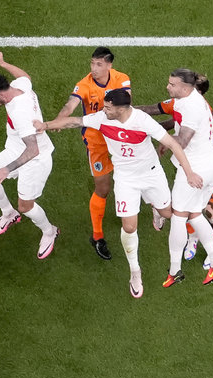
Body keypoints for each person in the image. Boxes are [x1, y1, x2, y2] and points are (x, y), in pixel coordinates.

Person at [34, 89, 202, 298]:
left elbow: (173, 145)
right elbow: (75, 121)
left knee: (168, 213)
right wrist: (46, 126)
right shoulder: (102, 118)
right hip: (125, 179)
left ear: (122, 109)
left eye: (108, 107)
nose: (104, 110)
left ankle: (156, 209)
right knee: (129, 226)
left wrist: (189, 174)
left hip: (151, 175)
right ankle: (135, 272)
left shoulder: (143, 121)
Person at [136, 76, 213, 270]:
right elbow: (158, 112)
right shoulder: (181, 102)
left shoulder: (199, 109)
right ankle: (192, 239)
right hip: (196, 163)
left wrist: (156, 133)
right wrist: (126, 112)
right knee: (191, 207)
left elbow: (181, 134)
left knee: (210, 211)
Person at [0, 50, 58, 260]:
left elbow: (33, 150)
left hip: (35, 159)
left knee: (26, 206)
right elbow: (25, 77)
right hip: (16, 148)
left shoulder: (20, 113)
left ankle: (50, 232)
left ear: (2, 95)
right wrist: (3, 63)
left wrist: (7, 169)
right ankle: (8, 213)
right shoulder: (19, 87)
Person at [53, 47, 131, 260]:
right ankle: (97, 236)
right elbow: (70, 104)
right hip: (97, 143)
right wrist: (61, 119)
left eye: (98, 64)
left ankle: (146, 209)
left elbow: (126, 103)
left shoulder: (122, 79)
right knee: (103, 189)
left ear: (109, 65)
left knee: (133, 177)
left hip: (119, 139)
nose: (93, 69)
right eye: (92, 64)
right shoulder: (85, 84)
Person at [157, 69, 213, 286]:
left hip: (195, 170)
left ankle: (175, 270)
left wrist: (164, 140)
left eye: (172, 84)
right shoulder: (186, 98)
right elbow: (176, 123)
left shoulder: (193, 106)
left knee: (178, 216)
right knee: (195, 214)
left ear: (185, 87)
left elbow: (184, 140)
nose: (168, 87)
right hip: (208, 167)